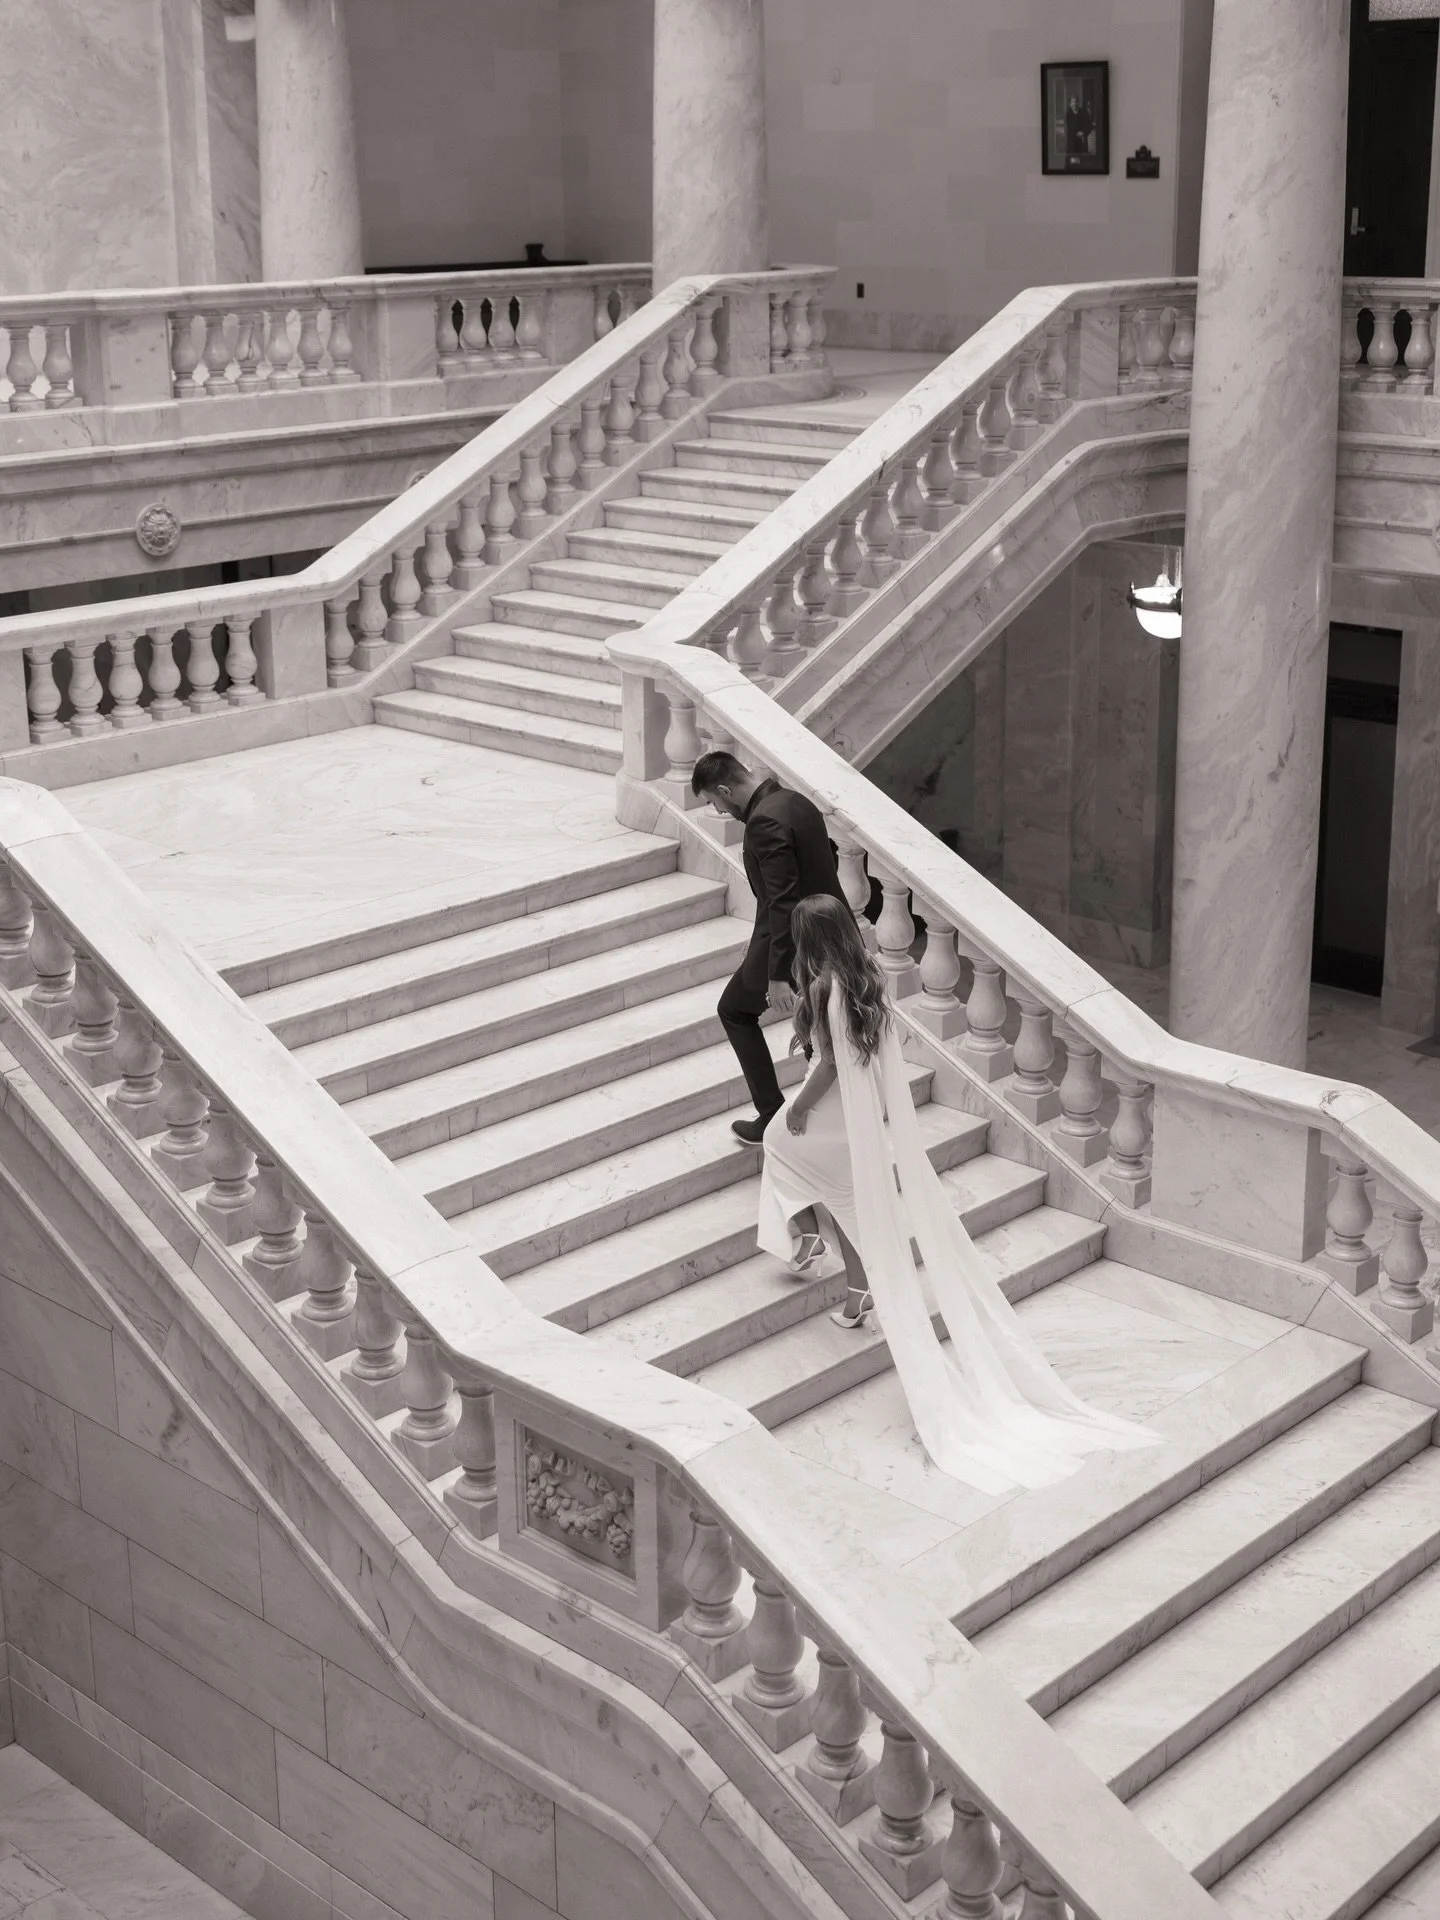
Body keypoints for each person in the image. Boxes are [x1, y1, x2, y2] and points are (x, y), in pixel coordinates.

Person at [757, 894, 1159, 1493]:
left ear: (810, 940)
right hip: (855, 1129)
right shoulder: (865, 978)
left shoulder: (823, 988)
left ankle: (802, 1240)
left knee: (775, 1144)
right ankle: (853, 1283)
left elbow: (831, 1068)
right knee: (847, 1202)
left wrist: (799, 1110)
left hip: (830, 1118)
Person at [690, 750, 847, 1146]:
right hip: (830, 936)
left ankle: (774, 1116)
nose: (721, 811)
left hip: (800, 947)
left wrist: (778, 974)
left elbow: (783, 901)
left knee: (735, 1011)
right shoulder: (796, 801)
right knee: (821, 1030)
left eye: (715, 802)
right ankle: (819, 1118)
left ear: (726, 789)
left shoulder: (763, 822)